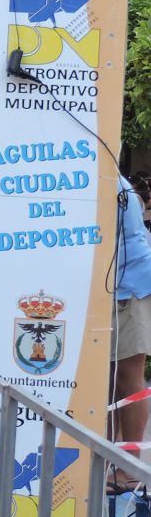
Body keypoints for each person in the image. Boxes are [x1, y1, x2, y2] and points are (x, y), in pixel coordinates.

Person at [111, 176, 151, 491]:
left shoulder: (109, 181)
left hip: (129, 287)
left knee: (128, 379)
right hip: (119, 286)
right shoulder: (109, 179)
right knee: (112, 382)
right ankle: (113, 460)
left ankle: (130, 469)